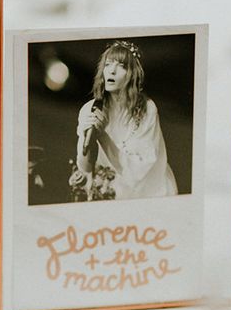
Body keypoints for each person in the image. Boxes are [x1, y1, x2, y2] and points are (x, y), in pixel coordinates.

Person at [76, 40, 177, 200]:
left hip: (147, 189)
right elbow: (85, 167)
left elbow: (144, 165)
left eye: (121, 66)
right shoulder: (90, 109)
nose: (112, 71)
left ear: (132, 74)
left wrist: (103, 138)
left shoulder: (147, 109)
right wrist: (87, 138)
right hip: (106, 189)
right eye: (108, 65)